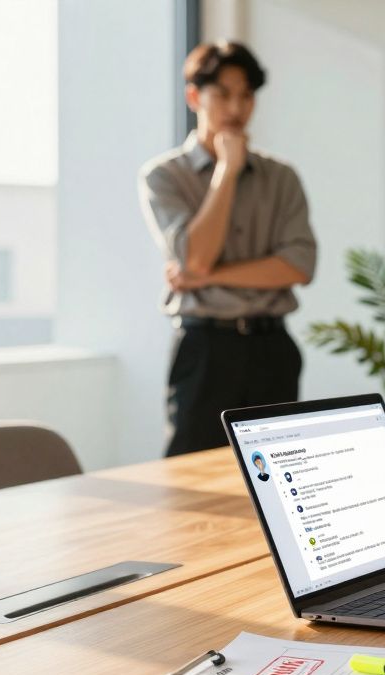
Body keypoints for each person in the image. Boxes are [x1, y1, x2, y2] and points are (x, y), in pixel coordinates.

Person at [138, 41, 316, 457]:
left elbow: (299, 266)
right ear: (195, 96)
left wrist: (208, 276)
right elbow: (195, 257)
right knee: (191, 484)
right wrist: (227, 171)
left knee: (284, 482)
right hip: (204, 351)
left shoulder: (281, 177)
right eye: (223, 93)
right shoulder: (164, 176)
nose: (236, 107)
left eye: (247, 95)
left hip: (272, 348)